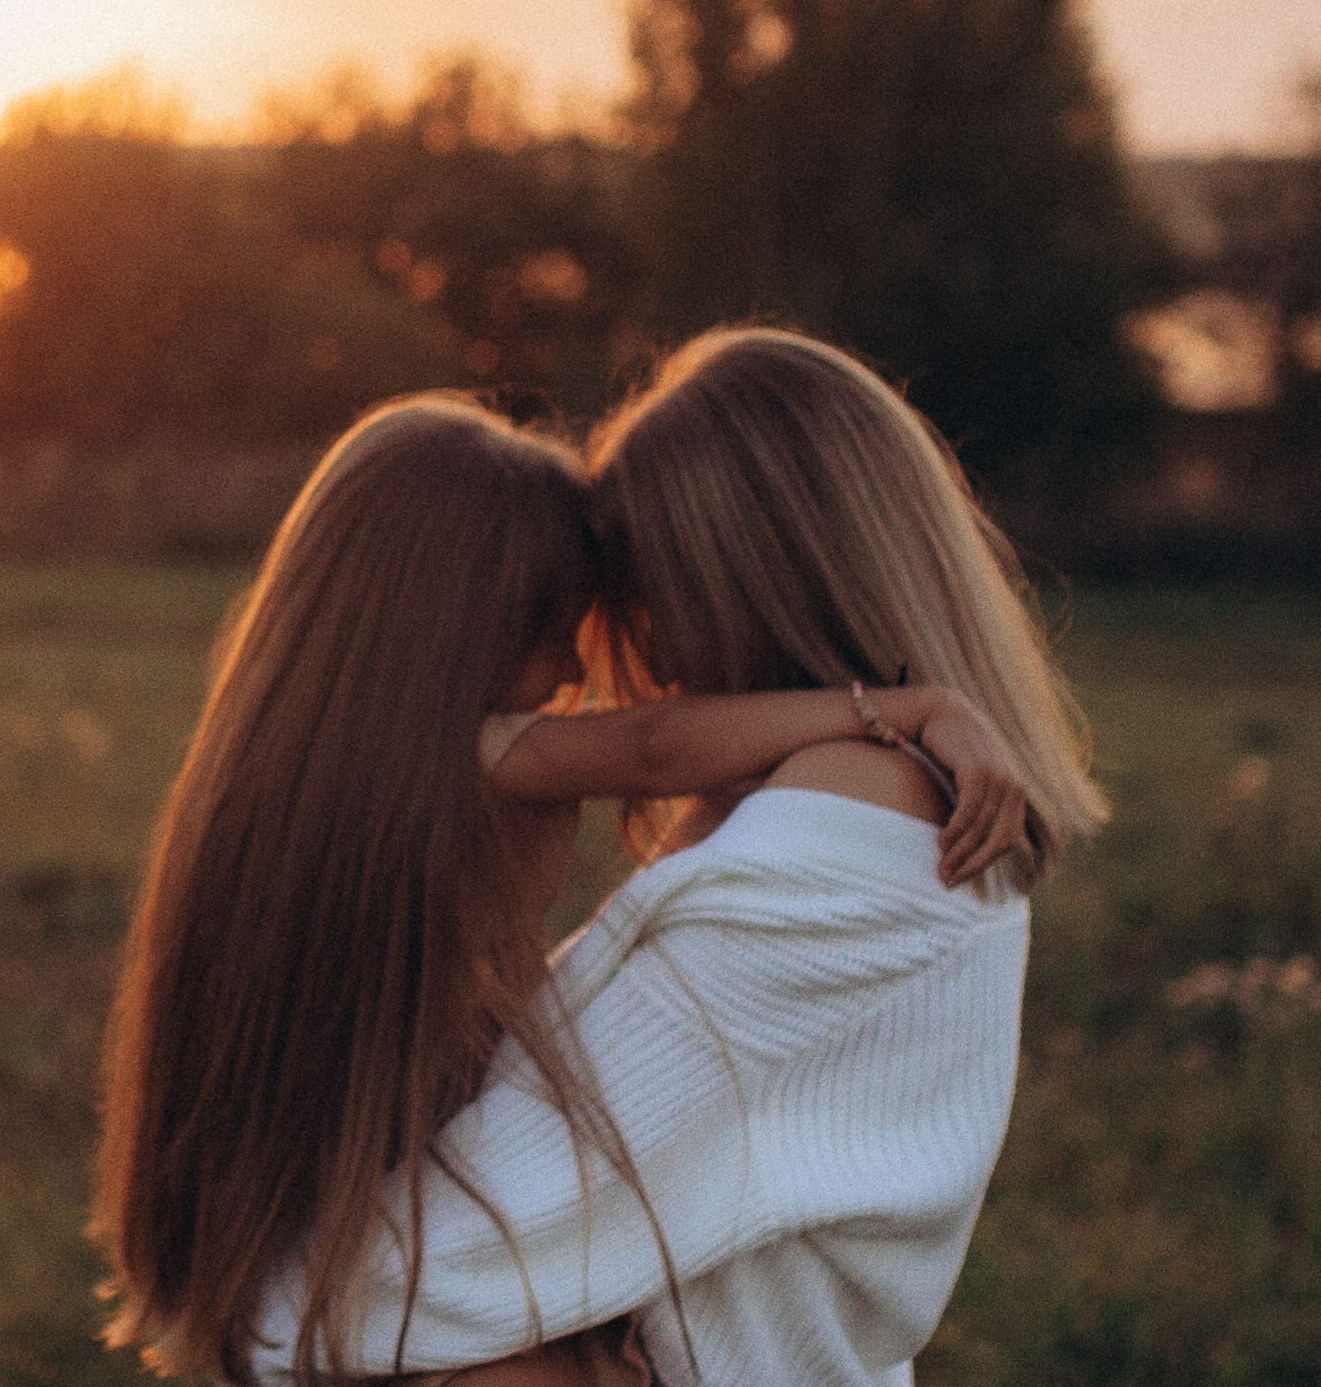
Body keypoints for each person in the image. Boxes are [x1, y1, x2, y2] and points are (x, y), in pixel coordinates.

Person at [89, 385, 1035, 1387]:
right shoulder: (480, 751)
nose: (584, 663)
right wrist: (903, 707)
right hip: (339, 1234)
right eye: (553, 627)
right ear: (457, 627)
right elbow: (653, 743)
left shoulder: (309, 778)